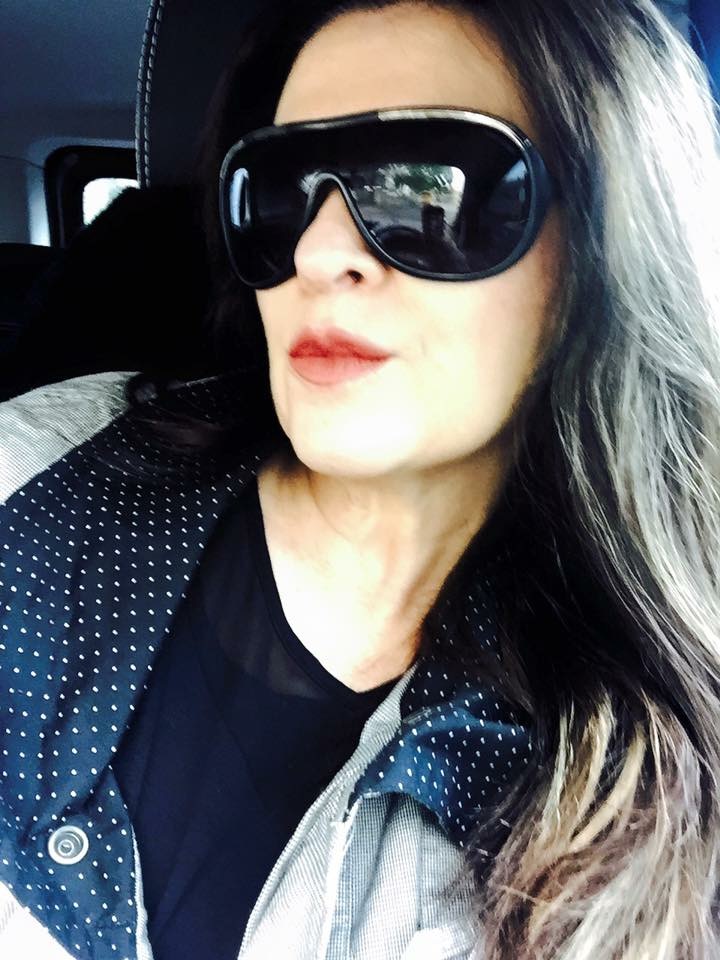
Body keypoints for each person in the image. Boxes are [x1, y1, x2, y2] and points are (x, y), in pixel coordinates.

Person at [1, 0, 719, 958]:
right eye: (278, 193)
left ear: (603, 247)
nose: (317, 252)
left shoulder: (667, 734)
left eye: (426, 189)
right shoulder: (33, 481)